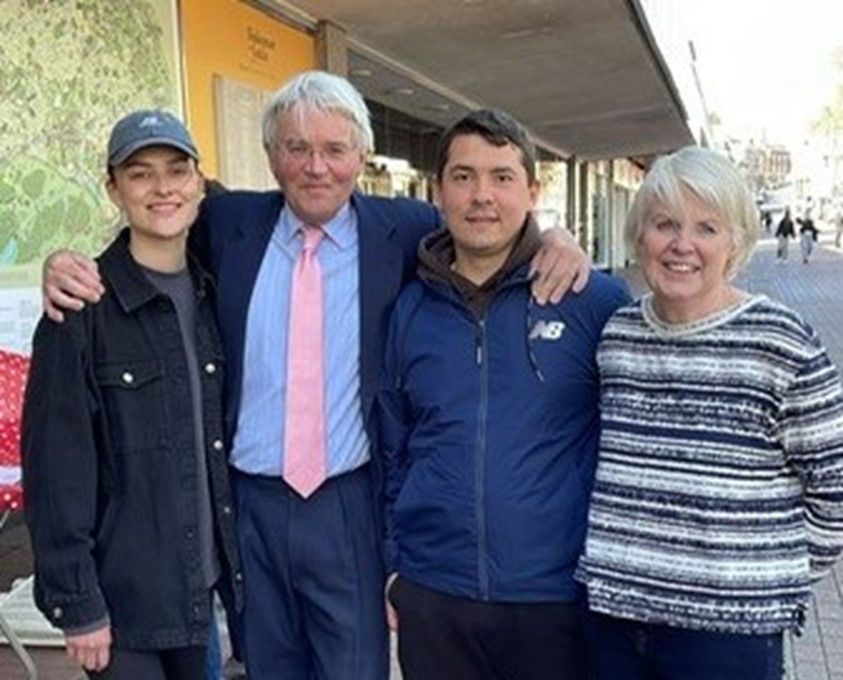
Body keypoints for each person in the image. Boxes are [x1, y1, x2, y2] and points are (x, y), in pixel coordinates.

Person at [41, 71, 590, 680]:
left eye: (334, 149)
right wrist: (65, 263)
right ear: (272, 157)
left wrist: (555, 241)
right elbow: (152, 218)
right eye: (297, 148)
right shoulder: (227, 224)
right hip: (249, 503)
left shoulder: (402, 231)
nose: (316, 167)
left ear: (361, 155)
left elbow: (487, 230)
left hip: (346, 504)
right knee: (270, 665)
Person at [379, 109, 630, 680]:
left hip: (555, 598)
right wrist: (396, 568)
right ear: (438, 190)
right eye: (464, 177)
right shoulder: (410, 310)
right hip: (434, 595)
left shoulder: (594, 301)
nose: (482, 196)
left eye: (501, 177)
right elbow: (393, 444)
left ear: (533, 190)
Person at [576, 146, 843, 680]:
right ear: (639, 237)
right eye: (665, 225)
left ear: (735, 243)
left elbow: (835, 490)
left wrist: (768, 575)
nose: (682, 245)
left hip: (729, 638)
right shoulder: (618, 335)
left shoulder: (779, 342)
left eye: (707, 228)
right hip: (613, 621)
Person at [22, 110, 242, 680]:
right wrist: (77, 603)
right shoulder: (78, 312)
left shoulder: (216, 294)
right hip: (124, 610)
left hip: (203, 596)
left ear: (199, 183)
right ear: (114, 188)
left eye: (176, 170)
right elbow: (55, 467)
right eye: (140, 174)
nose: (162, 188)